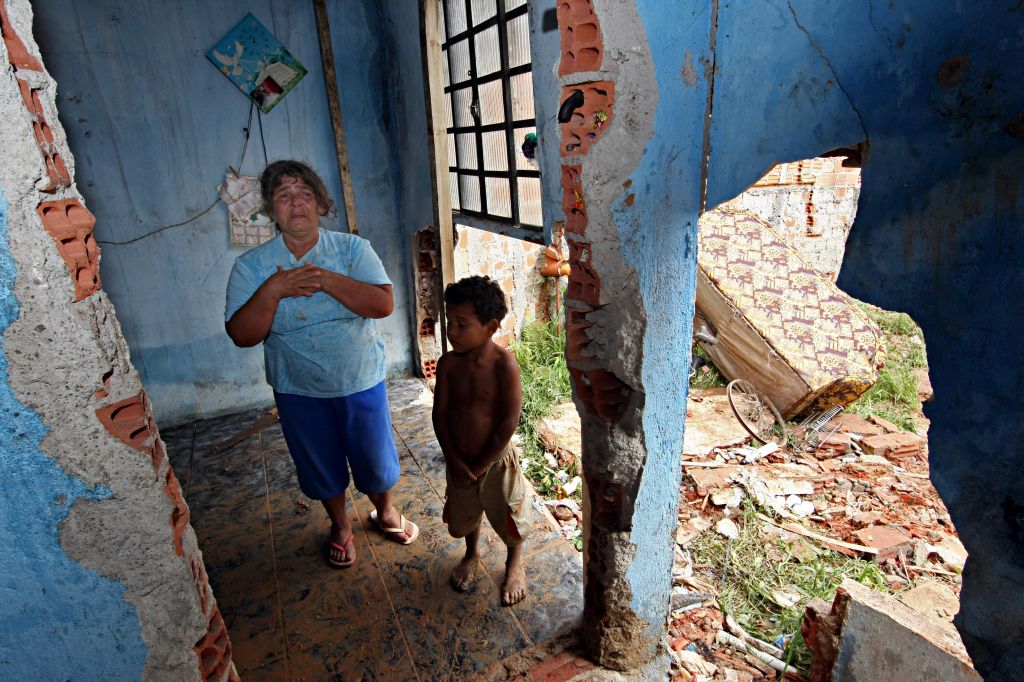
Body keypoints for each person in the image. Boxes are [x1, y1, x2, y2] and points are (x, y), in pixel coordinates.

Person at [225, 159, 418, 570]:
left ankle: (385, 511)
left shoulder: (351, 250)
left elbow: (382, 304)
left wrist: (325, 278)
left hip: (359, 379)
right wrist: (274, 289)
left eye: (305, 194)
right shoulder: (252, 267)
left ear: (321, 205)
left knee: (375, 458)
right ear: (271, 210)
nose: (296, 202)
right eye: (284, 195)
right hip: (298, 388)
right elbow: (242, 334)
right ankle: (341, 526)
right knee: (320, 464)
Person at [432, 276, 531, 605]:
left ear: (490, 327)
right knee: (465, 510)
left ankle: (514, 561)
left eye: (462, 324)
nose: (452, 332)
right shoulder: (448, 365)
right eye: (450, 322)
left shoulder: (505, 365)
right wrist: (453, 458)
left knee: (509, 513)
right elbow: (440, 415)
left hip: (497, 461)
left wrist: (482, 463)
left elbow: (508, 422)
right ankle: (472, 553)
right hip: (459, 460)